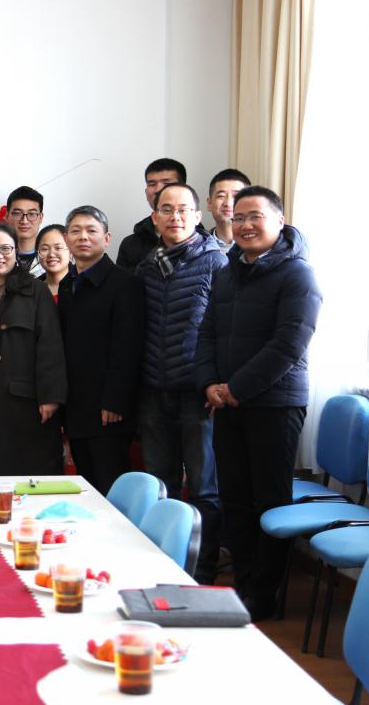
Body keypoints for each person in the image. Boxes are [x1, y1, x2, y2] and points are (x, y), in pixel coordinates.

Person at [195, 186, 321, 620]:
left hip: (275, 405)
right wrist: (209, 383)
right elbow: (206, 332)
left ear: (279, 222)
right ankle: (245, 582)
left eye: (255, 216)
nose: (245, 225)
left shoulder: (298, 275)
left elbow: (289, 344)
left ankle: (265, 594)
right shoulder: (227, 271)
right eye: (239, 217)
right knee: (234, 497)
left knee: (269, 502)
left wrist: (235, 388)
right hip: (228, 402)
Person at [135, 184, 227, 584]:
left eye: (183, 210)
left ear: (197, 216)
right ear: (155, 217)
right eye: (167, 210)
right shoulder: (146, 266)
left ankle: (202, 569)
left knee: (204, 488)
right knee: (161, 485)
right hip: (153, 391)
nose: (175, 217)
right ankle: (164, 565)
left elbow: (225, 329)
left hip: (197, 394)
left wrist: (215, 382)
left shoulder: (216, 262)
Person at [0, 222, 67, 474]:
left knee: (29, 470)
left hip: (26, 401)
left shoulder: (35, 291)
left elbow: (50, 345)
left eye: (5, 248)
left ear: (16, 251)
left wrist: (51, 397)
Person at [58, 206, 145, 495]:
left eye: (91, 230)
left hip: (109, 409)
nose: (83, 237)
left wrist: (116, 400)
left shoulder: (125, 283)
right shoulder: (68, 284)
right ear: (67, 238)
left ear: (106, 239)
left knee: (110, 486)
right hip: (77, 406)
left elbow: (128, 347)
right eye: (75, 231)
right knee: (86, 487)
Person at [116, 157, 188, 269]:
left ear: (184, 189)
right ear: (146, 192)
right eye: (152, 184)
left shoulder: (204, 243)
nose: (158, 189)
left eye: (167, 182)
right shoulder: (130, 244)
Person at [205, 168, 251, 253]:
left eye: (236, 196)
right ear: (209, 203)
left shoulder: (262, 247)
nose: (228, 203)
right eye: (221, 196)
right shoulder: (196, 248)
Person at [4, 186, 46, 277]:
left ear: (41, 217)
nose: (24, 221)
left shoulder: (53, 256)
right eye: (17, 214)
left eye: (31, 214)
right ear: (7, 216)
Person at [35, 224, 70, 302]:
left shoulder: (83, 288)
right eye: (45, 249)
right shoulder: (30, 291)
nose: (51, 254)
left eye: (58, 248)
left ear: (71, 252)